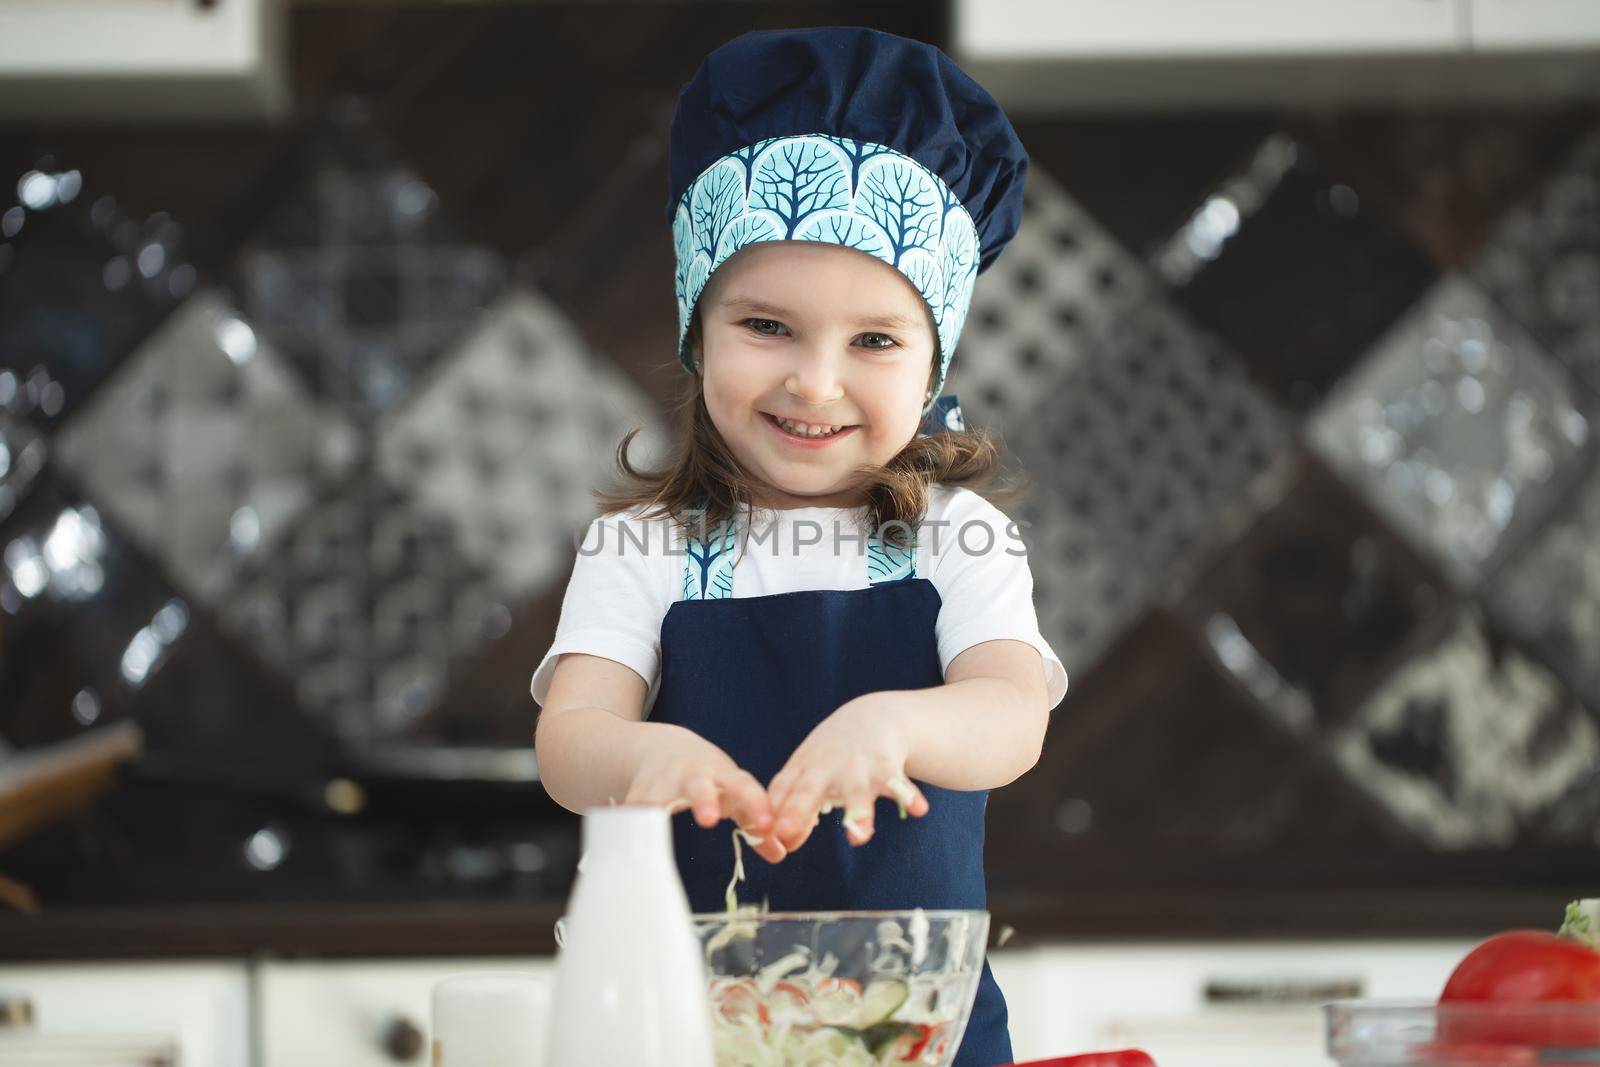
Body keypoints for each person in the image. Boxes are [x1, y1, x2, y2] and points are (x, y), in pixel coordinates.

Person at [531, 26, 1068, 1065]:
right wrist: (644, 754)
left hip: (921, 1034)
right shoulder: (642, 545)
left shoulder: (958, 536)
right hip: (687, 1030)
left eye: (873, 340)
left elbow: (1012, 715)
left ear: (931, 364)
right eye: (766, 326)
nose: (814, 382)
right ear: (698, 328)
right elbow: (568, 739)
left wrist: (893, 726)